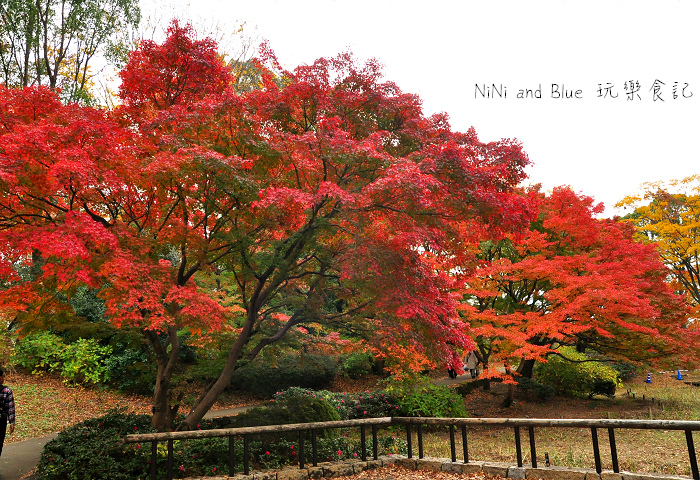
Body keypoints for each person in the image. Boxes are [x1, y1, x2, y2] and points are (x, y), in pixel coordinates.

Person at [0, 368, 15, 457]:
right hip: (1, 420)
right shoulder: (6, 391)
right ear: (0, 378)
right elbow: (10, 407)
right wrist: (12, 422)